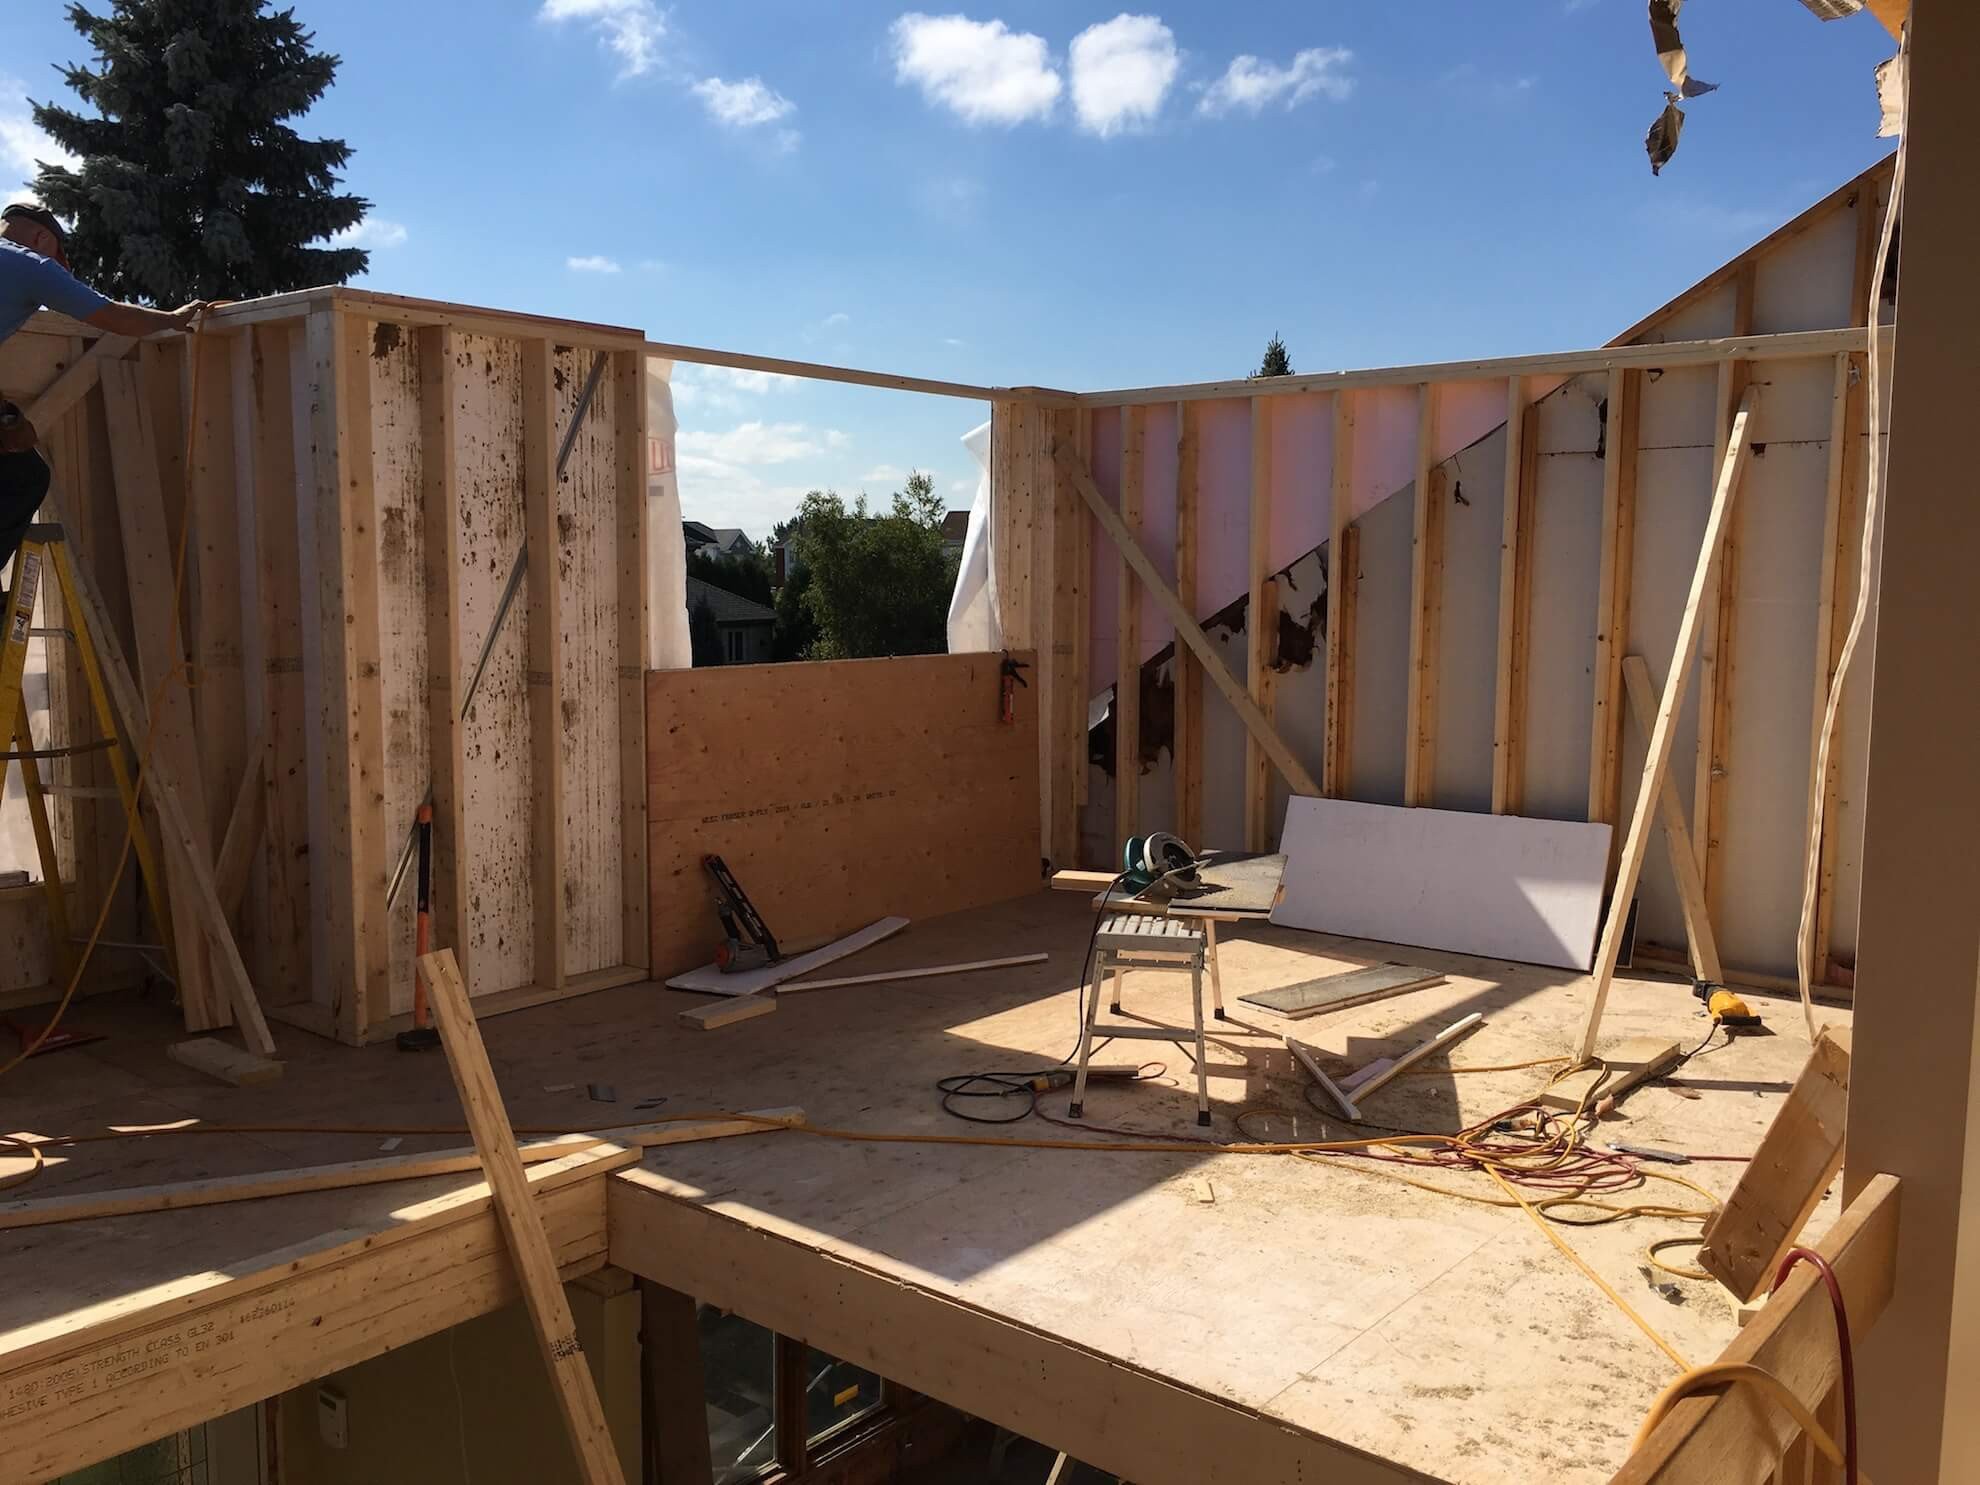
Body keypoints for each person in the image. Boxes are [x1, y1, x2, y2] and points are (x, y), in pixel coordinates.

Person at [1, 202, 208, 570]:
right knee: (26, 477)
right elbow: (113, 316)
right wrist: (171, 319)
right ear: (41, 238)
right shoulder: (31, 265)